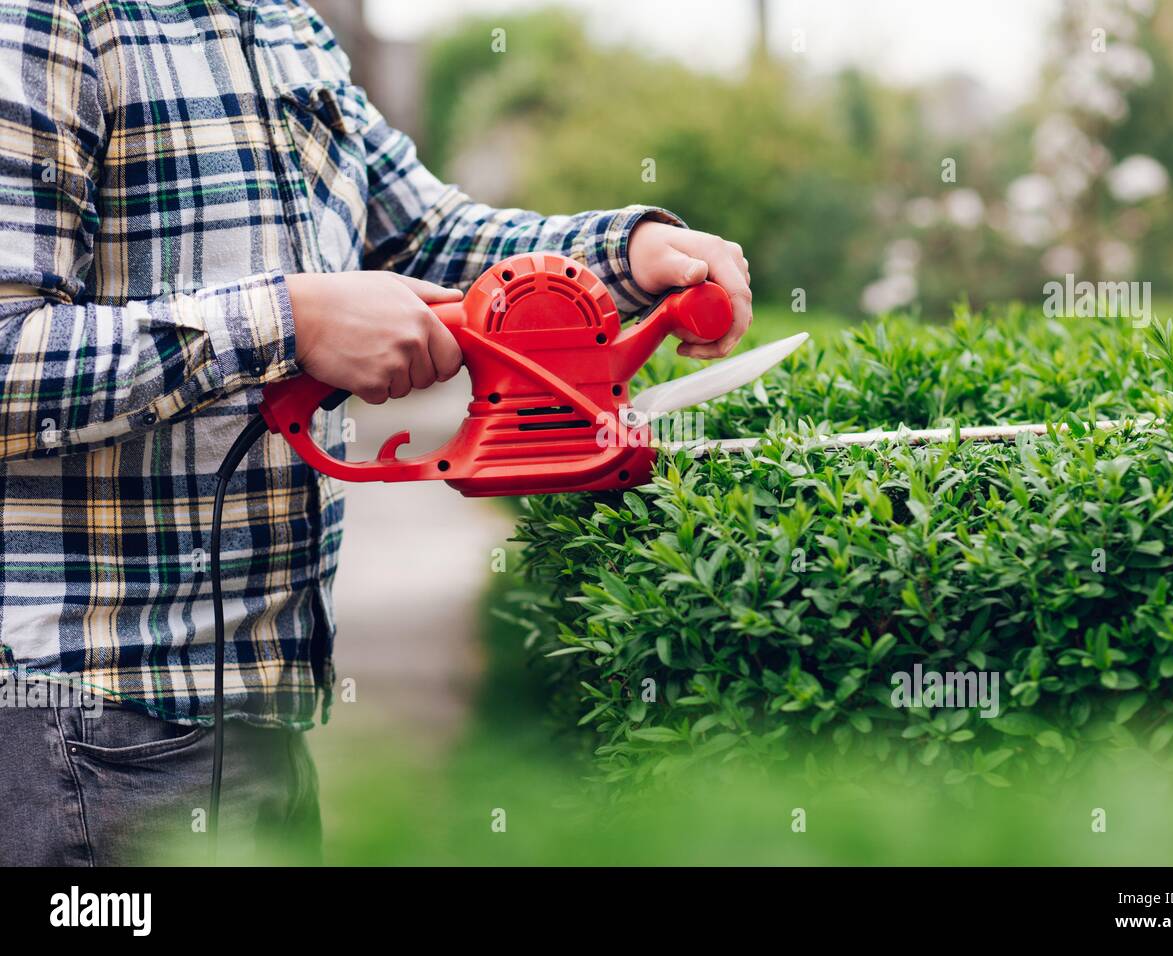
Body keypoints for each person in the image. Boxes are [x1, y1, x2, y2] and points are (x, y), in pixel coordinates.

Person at [0, 0, 751, 865]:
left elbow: (428, 237)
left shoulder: (285, 26)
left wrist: (628, 253)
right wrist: (289, 320)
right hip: (79, 722)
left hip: (259, 704)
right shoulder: (49, 20)